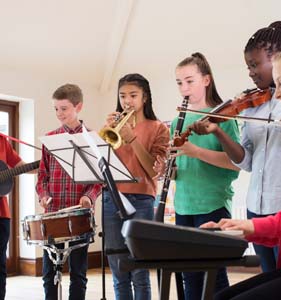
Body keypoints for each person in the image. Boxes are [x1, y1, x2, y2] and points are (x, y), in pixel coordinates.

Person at [191, 21, 281, 273]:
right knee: (270, 277)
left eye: (255, 64)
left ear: (276, 58)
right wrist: (218, 131)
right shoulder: (253, 105)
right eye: (248, 66)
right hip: (257, 205)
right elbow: (246, 161)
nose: (251, 72)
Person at [168, 52, 240, 299]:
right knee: (190, 275)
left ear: (206, 80)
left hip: (212, 204)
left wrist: (195, 151)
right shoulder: (177, 119)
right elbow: (182, 166)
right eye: (179, 82)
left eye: (189, 81)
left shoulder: (225, 116)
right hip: (184, 204)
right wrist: (167, 170)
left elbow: (235, 164)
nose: (183, 88)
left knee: (214, 274)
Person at [102, 73, 169, 300]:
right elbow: (101, 163)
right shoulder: (112, 127)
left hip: (142, 199)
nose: (127, 101)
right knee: (118, 267)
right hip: (112, 198)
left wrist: (131, 139)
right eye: (122, 96)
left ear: (145, 98)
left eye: (133, 95)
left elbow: (153, 171)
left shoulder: (158, 128)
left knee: (140, 268)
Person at [36, 84, 102, 300]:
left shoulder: (92, 138)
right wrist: (43, 194)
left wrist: (88, 197)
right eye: (56, 109)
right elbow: (42, 177)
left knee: (78, 273)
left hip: (79, 215)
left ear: (78, 106)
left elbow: (99, 180)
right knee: (49, 273)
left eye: (63, 108)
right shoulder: (49, 139)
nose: (59, 114)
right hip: (53, 213)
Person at [0, 135, 34, 300]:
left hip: (1, 214)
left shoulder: (1, 141)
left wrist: (46, 163)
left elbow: (21, 166)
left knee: (0, 264)